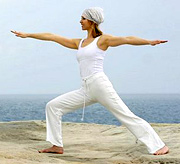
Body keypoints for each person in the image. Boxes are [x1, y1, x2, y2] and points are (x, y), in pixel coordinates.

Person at [11, 7, 169, 155]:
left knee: (125, 115)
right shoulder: (78, 43)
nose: (80, 21)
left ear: (92, 21)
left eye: (83, 18)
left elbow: (126, 39)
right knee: (53, 106)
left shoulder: (102, 40)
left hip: (99, 85)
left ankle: (159, 145)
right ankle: (57, 145)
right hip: (85, 88)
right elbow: (52, 37)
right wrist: (28, 35)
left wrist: (148, 41)